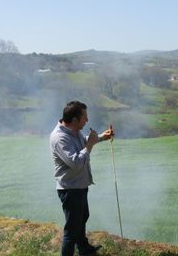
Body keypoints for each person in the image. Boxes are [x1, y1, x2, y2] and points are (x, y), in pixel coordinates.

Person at [50, 100, 114, 256]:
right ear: (74, 120)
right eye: (84, 117)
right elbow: (76, 162)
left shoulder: (73, 131)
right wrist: (90, 145)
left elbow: (83, 142)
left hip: (79, 186)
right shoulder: (60, 138)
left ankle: (84, 249)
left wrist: (101, 137)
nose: (87, 120)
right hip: (70, 189)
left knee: (82, 218)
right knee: (71, 231)